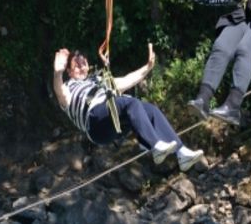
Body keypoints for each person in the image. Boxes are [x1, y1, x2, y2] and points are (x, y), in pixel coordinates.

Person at [53, 44, 204, 172]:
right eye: (76, 65)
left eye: (83, 63)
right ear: (70, 71)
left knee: (150, 109)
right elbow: (60, 94)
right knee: (131, 103)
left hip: (114, 123)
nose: (81, 67)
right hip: (95, 123)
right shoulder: (68, 86)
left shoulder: (98, 80)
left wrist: (148, 67)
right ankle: (154, 145)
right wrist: (57, 72)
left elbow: (126, 81)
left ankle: (181, 152)